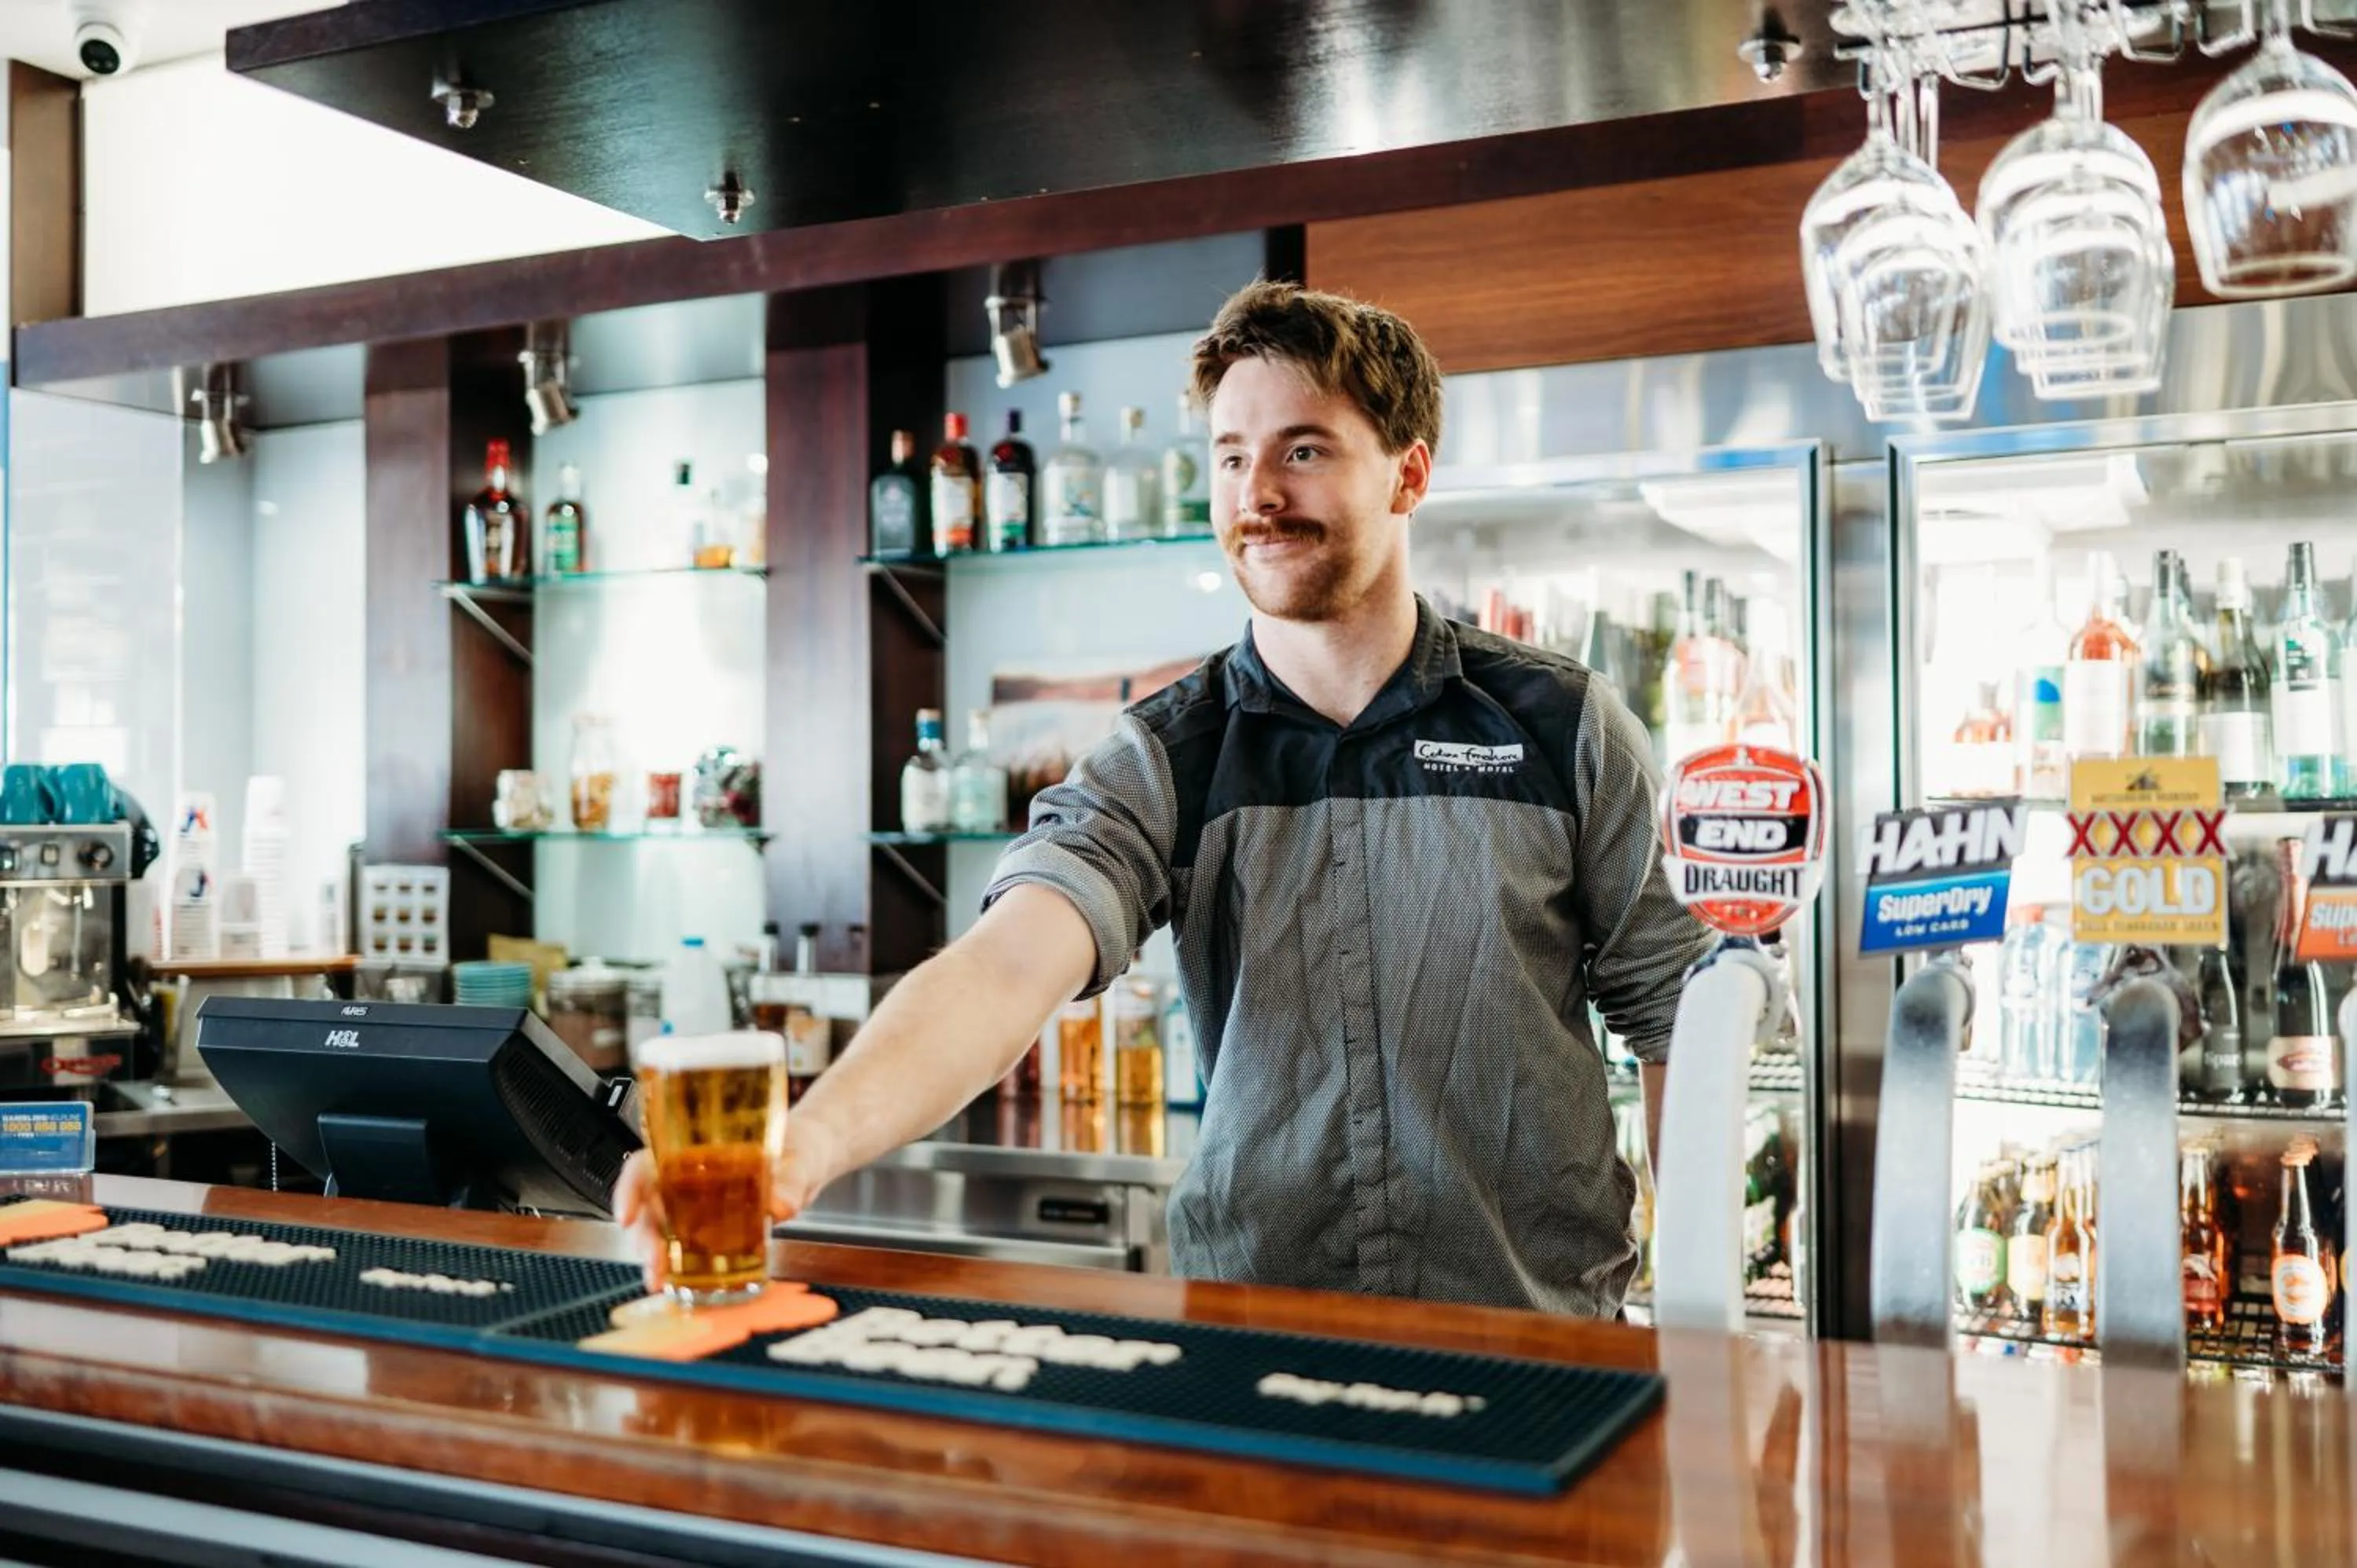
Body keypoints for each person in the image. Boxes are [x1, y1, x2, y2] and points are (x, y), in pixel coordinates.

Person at [619, 280, 1713, 1314]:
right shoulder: (1170, 753)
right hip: (1254, 1339)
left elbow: (1679, 1018)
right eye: (1232, 457)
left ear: (1409, 476)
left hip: (1534, 1343)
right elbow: (1006, 968)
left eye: (1304, 451)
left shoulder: (1560, 726)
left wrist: (1699, 1316)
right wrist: (803, 1145)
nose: (1258, 495)